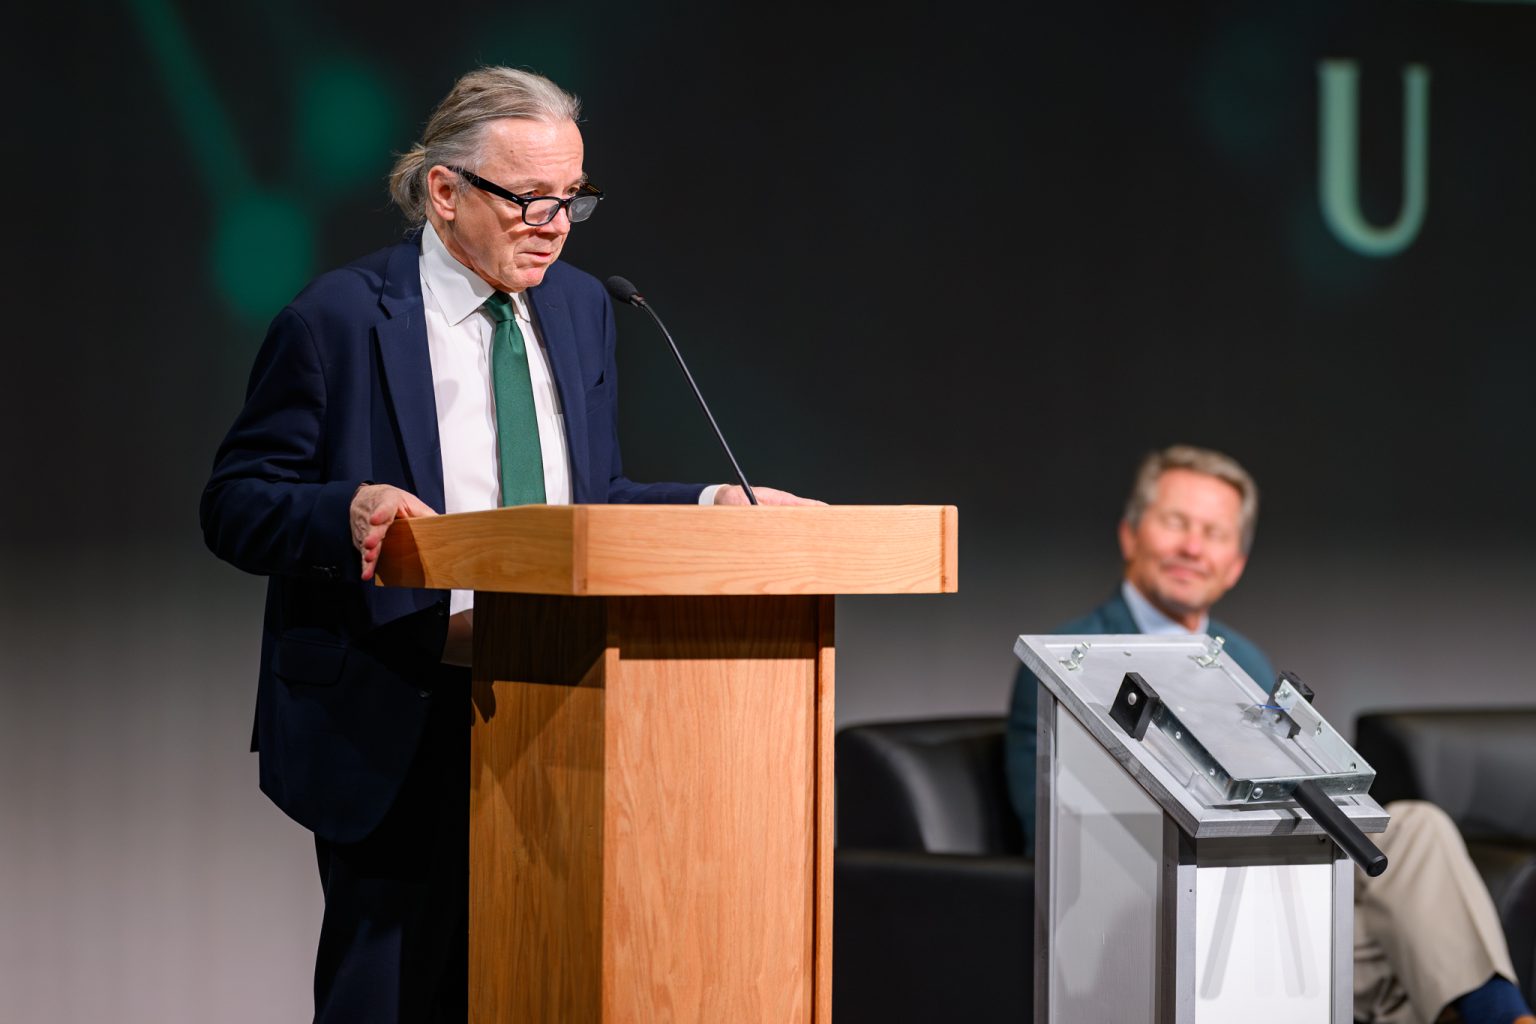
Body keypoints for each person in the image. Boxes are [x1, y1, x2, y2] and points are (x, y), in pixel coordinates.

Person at [201, 67, 816, 1023]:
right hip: (402, 705)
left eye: (573, 199)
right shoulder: (339, 319)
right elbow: (235, 504)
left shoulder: (579, 308)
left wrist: (710, 504)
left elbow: (589, 503)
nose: (555, 225)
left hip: (565, 702)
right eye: (529, 198)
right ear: (445, 191)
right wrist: (347, 509)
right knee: (392, 998)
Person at [1005, 444, 1533, 1024]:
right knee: (1409, 961)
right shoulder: (1068, 660)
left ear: (1234, 564)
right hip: (1152, 916)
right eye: (1176, 522)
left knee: (1416, 832)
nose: (1192, 547)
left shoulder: (1245, 661)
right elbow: (1056, 834)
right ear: (1130, 536)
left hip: (1268, 898)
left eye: (1214, 533)